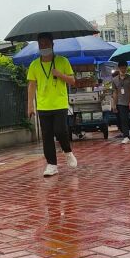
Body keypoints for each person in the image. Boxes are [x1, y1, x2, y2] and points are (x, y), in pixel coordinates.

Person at [27, 33, 78, 177]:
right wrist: (30, 105)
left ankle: (68, 152)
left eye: (46, 44)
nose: (44, 47)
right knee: (47, 136)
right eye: (41, 44)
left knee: (61, 130)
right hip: (43, 106)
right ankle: (51, 165)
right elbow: (31, 85)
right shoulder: (34, 65)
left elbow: (72, 81)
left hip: (60, 103)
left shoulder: (63, 61)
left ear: (53, 45)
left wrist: (60, 75)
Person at [112, 61, 130, 144]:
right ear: (119, 68)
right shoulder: (115, 80)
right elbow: (115, 92)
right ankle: (126, 136)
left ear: (126, 68)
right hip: (120, 102)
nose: (123, 69)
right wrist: (114, 104)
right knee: (123, 119)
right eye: (121, 68)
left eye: (124, 68)